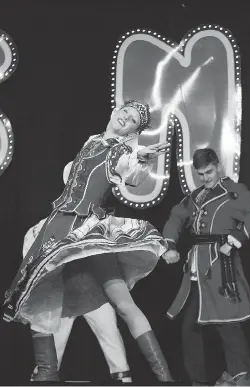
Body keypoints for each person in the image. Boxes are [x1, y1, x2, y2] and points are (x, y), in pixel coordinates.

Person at [2, 100, 174, 382]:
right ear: (113, 112)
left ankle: (164, 378)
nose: (125, 118)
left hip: (85, 231)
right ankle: (47, 374)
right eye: (124, 112)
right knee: (43, 298)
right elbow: (73, 177)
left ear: (132, 131)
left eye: (132, 120)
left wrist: (141, 160)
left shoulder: (122, 150)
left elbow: (130, 172)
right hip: (58, 225)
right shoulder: (92, 141)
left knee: (123, 303)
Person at [162, 148, 250, 386]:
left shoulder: (234, 191)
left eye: (209, 171)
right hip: (196, 268)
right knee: (189, 327)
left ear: (217, 166)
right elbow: (176, 216)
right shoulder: (195, 196)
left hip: (221, 265)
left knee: (227, 323)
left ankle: (243, 377)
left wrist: (235, 239)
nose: (205, 177)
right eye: (200, 174)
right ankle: (198, 382)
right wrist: (170, 245)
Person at [23, 160, 131, 383]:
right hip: (63, 290)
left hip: (89, 285)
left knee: (108, 329)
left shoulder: (97, 214)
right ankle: (43, 375)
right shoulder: (53, 220)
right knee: (54, 342)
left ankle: (123, 378)